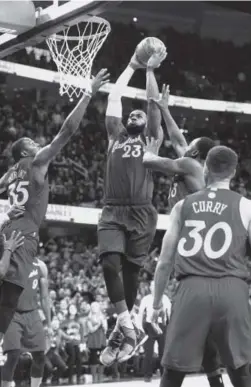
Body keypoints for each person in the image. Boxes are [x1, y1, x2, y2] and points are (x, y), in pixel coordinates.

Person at [0, 69, 110, 345]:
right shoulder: (36, 162)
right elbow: (66, 132)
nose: (38, 144)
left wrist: (3, 216)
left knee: (7, 287)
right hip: (23, 232)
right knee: (11, 293)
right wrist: (88, 93)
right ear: (25, 152)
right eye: (32, 144)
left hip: (9, 227)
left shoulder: (9, 173)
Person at [143, 84, 224, 387]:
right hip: (200, 243)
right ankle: (216, 377)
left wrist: (151, 144)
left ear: (197, 155)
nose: (183, 145)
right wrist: (164, 109)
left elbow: (150, 162)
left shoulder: (190, 165)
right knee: (206, 330)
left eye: (190, 147)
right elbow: (178, 139)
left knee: (181, 332)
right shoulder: (195, 165)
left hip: (192, 241)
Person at [151, 146, 251, 387]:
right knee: (241, 370)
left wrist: (156, 304)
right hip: (232, 288)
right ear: (234, 172)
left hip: (191, 289)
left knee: (172, 372)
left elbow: (164, 262)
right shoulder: (246, 206)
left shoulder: (182, 206)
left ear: (205, 168)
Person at [98, 46, 166, 366]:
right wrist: (129, 66)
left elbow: (152, 104)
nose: (134, 113)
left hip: (142, 210)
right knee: (110, 264)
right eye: (131, 114)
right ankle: (127, 326)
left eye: (138, 114)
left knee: (131, 274)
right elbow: (114, 99)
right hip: (113, 208)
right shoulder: (115, 135)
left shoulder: (151, 137)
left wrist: (150, 71)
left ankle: (120, 330)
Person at [1, 258, 50, 387]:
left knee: (40, 355)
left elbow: (44, 297)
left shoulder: (40, 265)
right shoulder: (6, 262)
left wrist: (49, 324)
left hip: (32, 312)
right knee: (13, 355)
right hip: (11, 313)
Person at [137, 280, 171, 383]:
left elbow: (169, 313)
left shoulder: (165, 298)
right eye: (152, 285)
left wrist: (169, 327)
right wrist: (140, 328)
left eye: (156, 285)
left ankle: (164, 375)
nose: (154, 287)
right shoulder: (146, 299)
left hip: (162, 325)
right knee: (149, 353)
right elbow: (140, 314)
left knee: (163, 352)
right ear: (150, 288)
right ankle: (147, 375)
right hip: (149, 326)